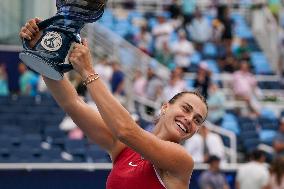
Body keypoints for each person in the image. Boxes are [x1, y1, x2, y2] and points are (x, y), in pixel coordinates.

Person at [20, 18, 208, 189]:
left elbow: (126, 130)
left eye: (198, 120)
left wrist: (88, 72)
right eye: (186, 108)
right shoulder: (125, 148)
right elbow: (73, 103)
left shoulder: (182, 160)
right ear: (165, 107)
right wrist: (44, 53)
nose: (189, 119)